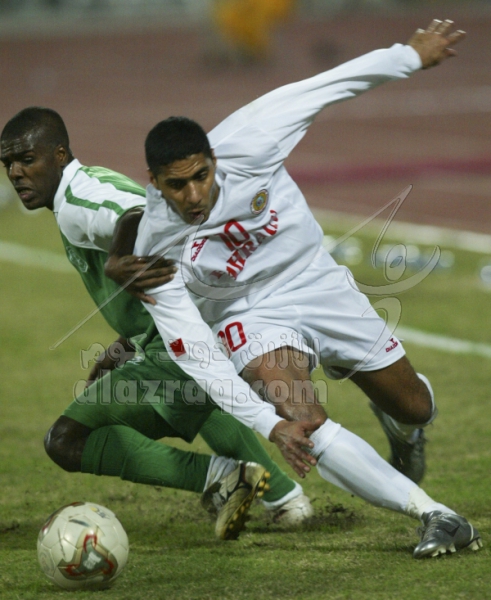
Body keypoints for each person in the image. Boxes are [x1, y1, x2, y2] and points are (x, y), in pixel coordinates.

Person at [107, 19, 482, 558]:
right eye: (176, 185)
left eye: (201, 176)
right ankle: (436, 516)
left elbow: (324, 87)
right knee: (301, 419)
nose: (193, 195)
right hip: (248, 315)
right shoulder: (155, 247)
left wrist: (408, 56)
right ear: (154, 182)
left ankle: (404, 431)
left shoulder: (252, 138)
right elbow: (197, 354)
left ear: (214, 160)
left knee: (416, 407)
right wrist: (269, 424)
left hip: (315, 280)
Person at [0, 108, 315, 541]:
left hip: (178, 341)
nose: (15, 173)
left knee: (66, 440)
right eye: (7, 163)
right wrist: (126, 341)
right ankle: (285, 500)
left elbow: (134, 215)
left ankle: (223, 478)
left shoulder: (77, 200)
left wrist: (117, 260)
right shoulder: (85, 188)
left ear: (59, 155)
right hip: (194, 328)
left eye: (26, 160)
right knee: (201, 398)